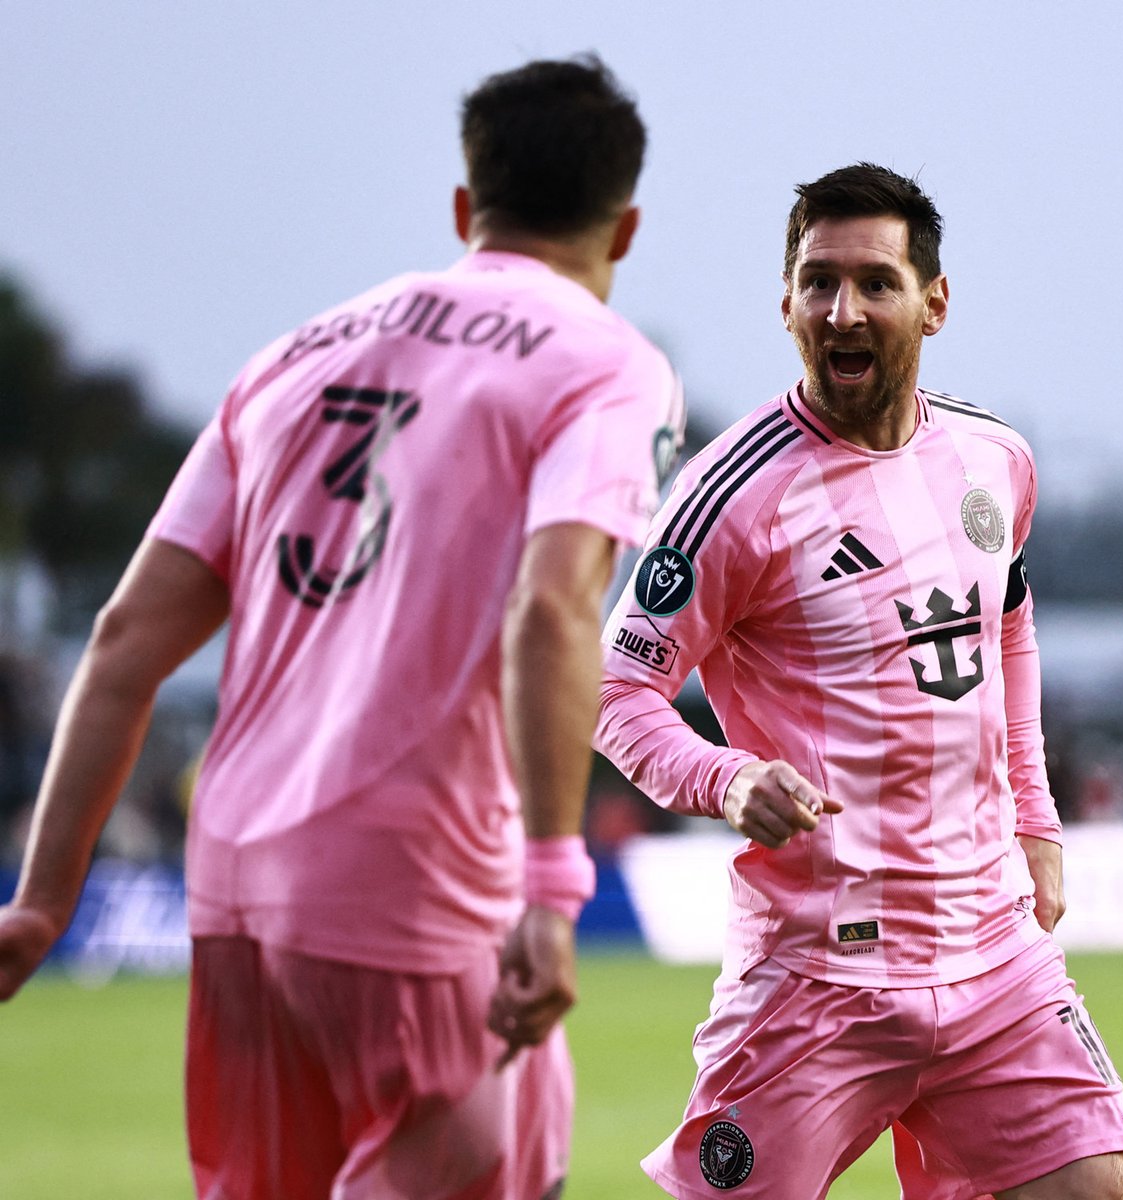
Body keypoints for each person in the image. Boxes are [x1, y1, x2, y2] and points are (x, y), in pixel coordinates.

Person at [0, 55, 683, 1199]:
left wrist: (40, 900)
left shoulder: (291, 357)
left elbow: (123, 640)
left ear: (467, 209)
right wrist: (553, 886)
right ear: (625, 229)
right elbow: (554, 606)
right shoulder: (605, 367)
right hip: (416, 888)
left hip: (235, 893)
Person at [594, 162, 1123, 1199]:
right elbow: (616, 693)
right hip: (819, 973)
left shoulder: (995, 459)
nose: (843, 311)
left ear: (934, 303)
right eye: (818, 282)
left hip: (992, 952)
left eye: (875, 283)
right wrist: (726, 778)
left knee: (1097, 1191)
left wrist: (1036, 819)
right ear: (787, 303)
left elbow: (1006, 621)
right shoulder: (728, 496)